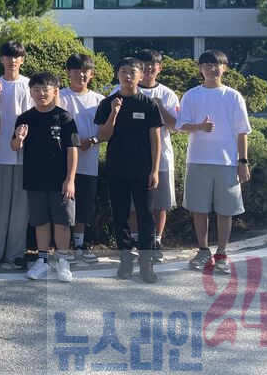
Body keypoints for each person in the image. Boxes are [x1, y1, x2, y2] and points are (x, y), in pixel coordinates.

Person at [176, 49, 251, 274]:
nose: (211, 68)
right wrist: (199, 127)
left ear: (224, 68)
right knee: (199, 209)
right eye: (206, 65)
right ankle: (202, 250)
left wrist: (243, 161)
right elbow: (181, 125)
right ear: (200, 69)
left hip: (227, 162)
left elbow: (242, 131)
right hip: (198, 160)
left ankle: (222, 254)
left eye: (216, 64)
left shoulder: (233, 96)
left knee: (225, 211)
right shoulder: (192, 95)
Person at [95, 57, 162, 284]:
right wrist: (114, 113)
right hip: (117, 170)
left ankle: (146, 263)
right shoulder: (108, 103)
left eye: (133, 72)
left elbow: (155, 139)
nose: (128, 76)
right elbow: (103, 136)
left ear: (141, 76)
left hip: (143, 171)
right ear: (118, 74)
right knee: (120, 217)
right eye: (123, 71)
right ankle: (125, 261)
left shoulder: (148, 104)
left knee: (146, 217)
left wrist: (155, 170)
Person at [112, 50, 180, 263]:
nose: (150, 68)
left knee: (160, 204)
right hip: (129, 159)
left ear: (160, 68)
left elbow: (174, 126)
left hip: (161, 158)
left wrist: (159, 106)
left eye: (154, 64)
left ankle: (156, 242)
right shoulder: (118, 91)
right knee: (133, 206)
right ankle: (135, 240)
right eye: (145, 64)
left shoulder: (167, 94)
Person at [12, 72, 79, 283]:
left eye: (45, 89)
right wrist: (19, 138)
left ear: (55, 92)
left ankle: (63, 261)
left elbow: (72, 149)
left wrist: (70, 179)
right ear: (30, 92)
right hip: (35, 179)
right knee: (40, 221)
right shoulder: (25, 118)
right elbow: (14, 146)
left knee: (62, 222)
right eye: (36, 89)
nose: (41, 93)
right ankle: (42, 261)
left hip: (60, 180)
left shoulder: (65, 117)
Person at [0, 41, 33, 269]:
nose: (13, 60)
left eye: (17, 56)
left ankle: (15, 255)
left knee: (21, 210)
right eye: (8, 56)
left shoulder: (32, 86)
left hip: (26, 157)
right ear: (1, 59)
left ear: (22, 59)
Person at [59, 54, 105, 264]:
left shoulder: (99, 100)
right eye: (76, 70)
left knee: (84, 205)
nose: (81, 74)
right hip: (63, 162)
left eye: (85, 71)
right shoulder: (59, 96)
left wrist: (93, 140)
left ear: (92, 74)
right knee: (63, 205)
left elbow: (105, 130)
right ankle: (63, 247)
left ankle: (79, 244)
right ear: (68, 73)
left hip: (88, 161)